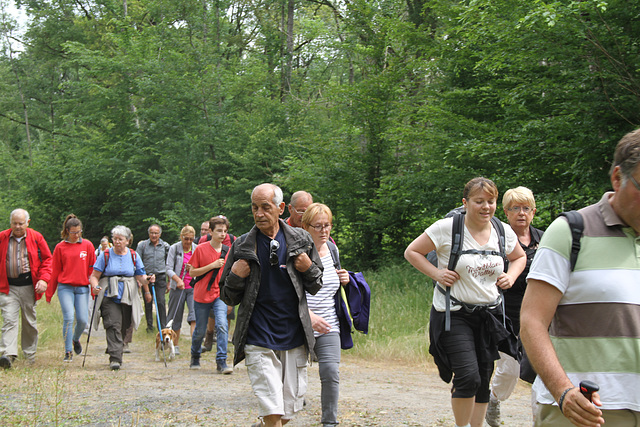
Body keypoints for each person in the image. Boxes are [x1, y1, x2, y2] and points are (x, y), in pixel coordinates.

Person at [521, 129, 640, 426]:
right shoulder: (571, 231)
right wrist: (563, 392)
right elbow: (531, 321)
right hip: (585, 413)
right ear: (617, 177)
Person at [404, 177, 526, 427]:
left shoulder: (502, 230)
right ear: (465, 202)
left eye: (491, 201)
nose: (486, 207)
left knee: (483, 377)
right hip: (454, 313)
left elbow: (519, 257)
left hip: (489, 316)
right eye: (479, 201)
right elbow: (412, 252)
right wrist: (437, 273)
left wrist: (510, 277)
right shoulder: (446, 228)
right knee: (468, 377)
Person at [220, 183, 323, 427]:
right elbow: (228, 296)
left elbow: (317, 284)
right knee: (271, 404)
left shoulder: (301, 240)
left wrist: (307, 268)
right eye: (254, 208)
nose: (259, 214)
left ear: (281, 208)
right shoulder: (242, 245)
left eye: (265, 207)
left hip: (294, 334)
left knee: (289, 408)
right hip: (258, 335)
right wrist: (236, 276)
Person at [485, 187, 543, 426]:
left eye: (526, 208)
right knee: (510, 369)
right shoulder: (496, 239)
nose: (521, 213)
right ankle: (494, 399)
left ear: (533, 212)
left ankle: (540, 419)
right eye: (515, 208)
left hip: (540, 314)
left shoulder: (545, 239)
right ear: (506, 212)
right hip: (506, 314)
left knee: (542, 370)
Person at [301, 203, 350, 427]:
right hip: (298, 323)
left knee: (330, 371)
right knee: (292, 381)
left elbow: (333, 286)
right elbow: (286, 292)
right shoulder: (296, 253)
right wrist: (307, 315)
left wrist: (345, 279)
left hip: (329, 322)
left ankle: (329, 422)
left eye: (327, 225)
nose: (324, 230)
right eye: (318, 226)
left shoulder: (332, 250)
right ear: (306, 227)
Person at [89, 225, 155, 370]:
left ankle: (117, 348)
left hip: (128, 295)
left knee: (124, 325)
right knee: (113, 324)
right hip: (109, 294)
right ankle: (115, 358)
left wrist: (148, 280)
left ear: (127, 240)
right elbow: (94, 276)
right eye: (115, 239)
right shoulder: (105, 255)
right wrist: (95, 287)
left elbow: (140, 275)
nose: (117, 242)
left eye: (120, 239)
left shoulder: (133, 255)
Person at [0, 209, 52, 368]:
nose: (17, 226)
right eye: (14, 223)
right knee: (9, 320)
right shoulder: (2, 237)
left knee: (29, 321)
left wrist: (44, 280)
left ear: (27, 223)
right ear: (10, 223)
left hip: (29, 287)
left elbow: (48, 260)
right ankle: (8, 355)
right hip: (8, 287)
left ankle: (29, 355)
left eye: (20, 223)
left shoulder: (36, 237)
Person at [46, 214, 96, 362]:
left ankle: (75, 339)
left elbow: (92, 269)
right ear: (67, 231)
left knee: (82, 319)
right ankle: (68, 351)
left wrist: (94, 288)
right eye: (73, 232)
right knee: (68, 317)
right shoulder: (60, 247)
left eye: (79, 232)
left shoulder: (87, 245)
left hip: (82, 287)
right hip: (65, 287)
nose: (76, 235)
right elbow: (55, 270)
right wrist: (50, 292)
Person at [187, 216, 233, 373]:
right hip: (201, 295)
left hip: (219, 295)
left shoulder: (228, 251)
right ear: (211, 232)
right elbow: (192, 272)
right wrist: (211, 265)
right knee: (200, 330)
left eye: (225, 231)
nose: (222, 234)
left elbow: (229, 275)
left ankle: (221, 361)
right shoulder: (200, 249)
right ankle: (195, 355)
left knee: (222, 325)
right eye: (219, 231)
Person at [166, 225, 198, 356]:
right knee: (175, 316)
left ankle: (195, 345)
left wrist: (194, 267)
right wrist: (177, 280)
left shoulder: (196, 248)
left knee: (194, 316)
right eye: (186, 239)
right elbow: (168, 268)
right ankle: (175, 344)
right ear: (181, 237)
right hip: (177, 288)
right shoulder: (174, 248)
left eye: (191, 239)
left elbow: (201, 266)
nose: (188, 242)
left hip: (192, 287)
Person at [136, 224, 170, 332]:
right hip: (146, 277)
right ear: (148, 233)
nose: (154, 235)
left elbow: (169, 264)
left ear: (160, 234)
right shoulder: (143, 245)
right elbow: (138, 262)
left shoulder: (165, 246)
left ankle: (163, 327)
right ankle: (149, 326)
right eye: (151, 233)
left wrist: (169, 282)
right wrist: (140, 279)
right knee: (148, 301)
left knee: (160, 301)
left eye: (156, 233)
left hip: (160, 277)